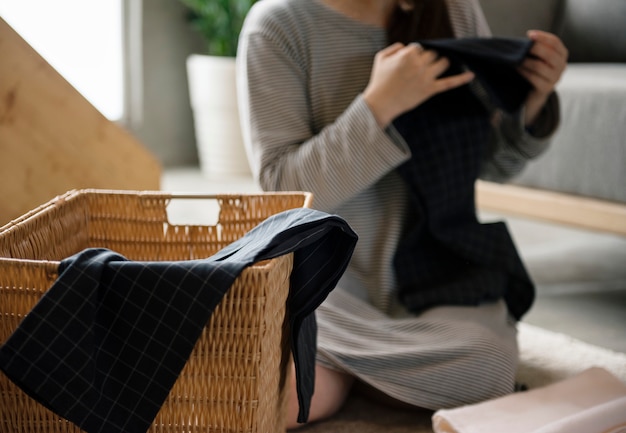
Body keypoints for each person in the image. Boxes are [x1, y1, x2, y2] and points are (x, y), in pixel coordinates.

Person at [236, 0, 568, 429]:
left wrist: (535, 100)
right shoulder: (277, 25)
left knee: (487, 364)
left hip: (437, 279)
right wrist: (378, 107)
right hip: (326, 285)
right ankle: (376, 374)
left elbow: (490, 163)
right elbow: (283, 191)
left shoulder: (455, 11)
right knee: (281, 393)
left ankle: (345, 369)